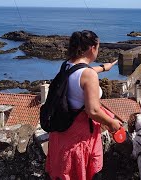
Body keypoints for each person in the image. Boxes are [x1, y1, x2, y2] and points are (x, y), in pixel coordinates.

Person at [45, 30, 122, 180]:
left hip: (62, 136)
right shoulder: (89, 75)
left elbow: (80, 72)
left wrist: (104, 68)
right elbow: (92, 110)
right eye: (98, 48)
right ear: (92, 48)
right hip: (80, 139)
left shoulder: (66, 66)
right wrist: (112, 123)